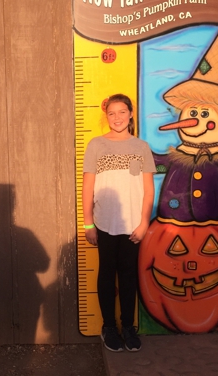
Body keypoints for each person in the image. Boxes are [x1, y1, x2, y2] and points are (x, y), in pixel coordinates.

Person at [82, 93, 155, 352]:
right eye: (111, 113)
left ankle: (127, 327)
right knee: (106, 274)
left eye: (122, 112)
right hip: (103, 224)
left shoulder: (141, 147)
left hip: (133, 225)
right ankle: (109, 327)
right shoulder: (96, 145)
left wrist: (144, 222)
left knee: (128, 275)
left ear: (131, 113)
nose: (117, 118)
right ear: (107, 116)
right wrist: (88, 224)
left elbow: (148, 190)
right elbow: (88, 186)